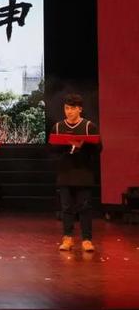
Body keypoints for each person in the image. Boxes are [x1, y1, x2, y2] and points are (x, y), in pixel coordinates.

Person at [50, 93, 101, 252]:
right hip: (65, 172)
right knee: (66, 207)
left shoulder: (89, 126)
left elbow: (98, 149)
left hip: (83, 172)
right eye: (66, 108)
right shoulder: (58, 127)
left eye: (72, 108)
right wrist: (65, 145)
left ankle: (87, 240)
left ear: (80, 109)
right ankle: (67, 238)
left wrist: (83, 146)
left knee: (85, 207)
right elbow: (51, 148)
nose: (69, 111)